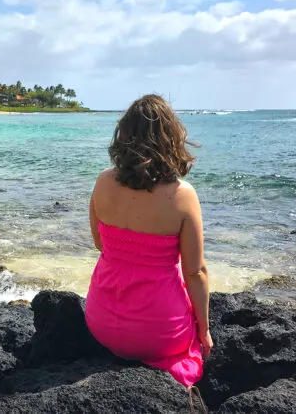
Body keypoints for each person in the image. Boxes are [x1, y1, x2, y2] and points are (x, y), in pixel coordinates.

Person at [85, 94, 212, 390]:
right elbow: (196, 273)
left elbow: (100, 244)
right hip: (159, 334)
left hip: (101, 323)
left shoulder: (103, 181)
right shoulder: (183, 196)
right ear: (171, 138)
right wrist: (204, 330)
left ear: (124, 136)